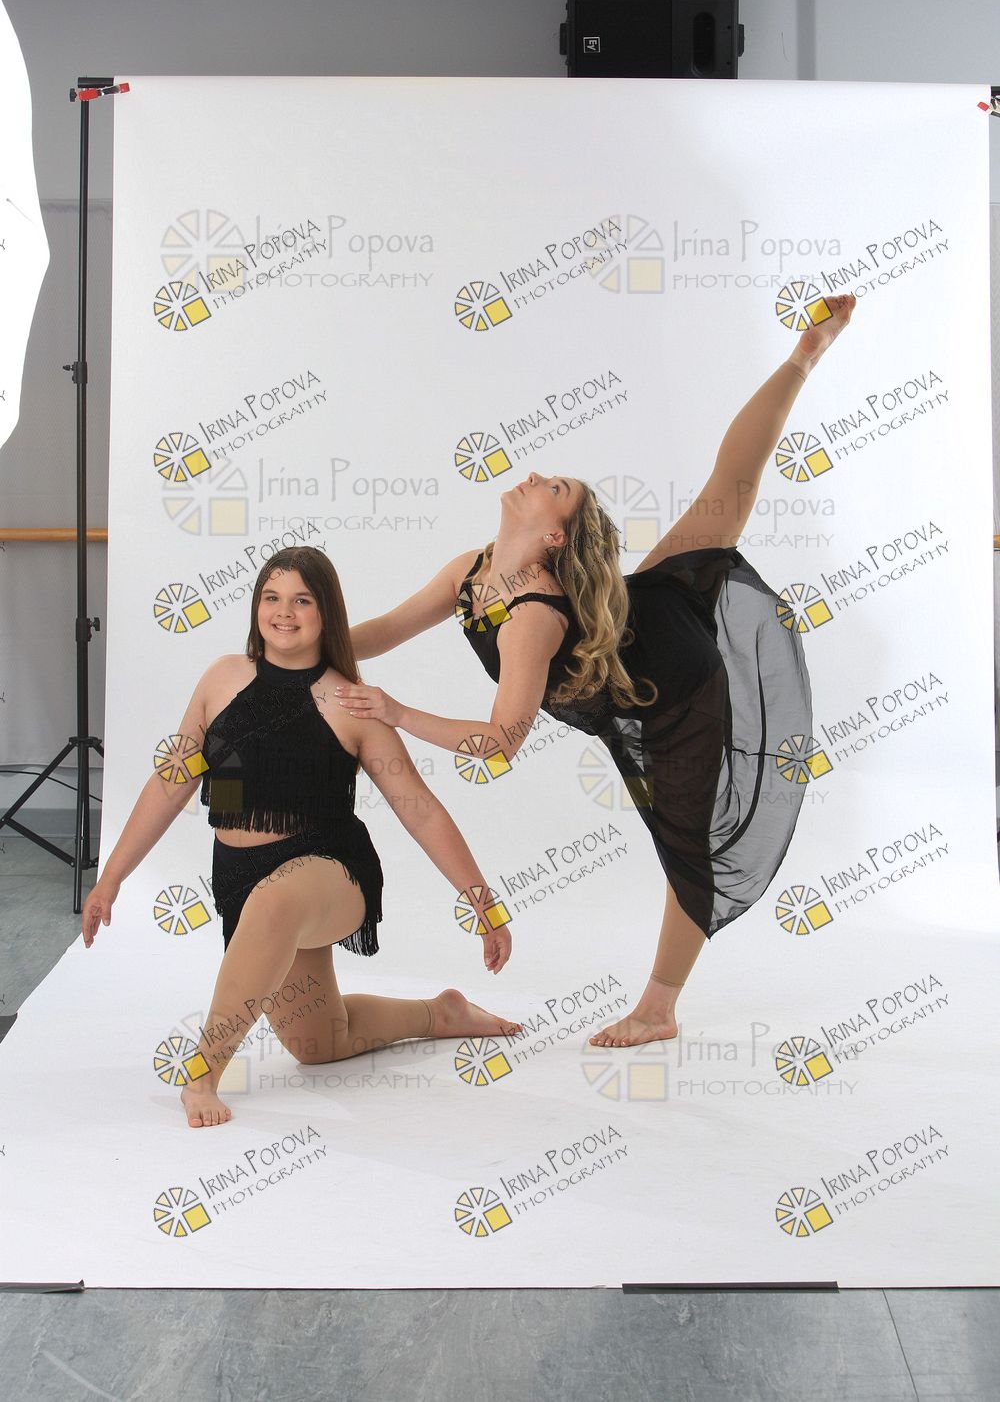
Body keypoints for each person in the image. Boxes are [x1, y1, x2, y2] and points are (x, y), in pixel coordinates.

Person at [339, 294, 856, 1048]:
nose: (535, 474)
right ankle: (807, 352)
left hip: (676, 684)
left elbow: (500, 744)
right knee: (728, 486)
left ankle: (658, 1009)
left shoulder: (533, 619)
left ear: (554, 536)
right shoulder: (471, 570)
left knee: (688, 848)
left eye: (554, 487)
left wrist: (396, 712)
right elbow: (385, 630)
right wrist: (305, 649)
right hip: (642, 615)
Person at [82, 547, 521, 1128]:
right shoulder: (221, 678)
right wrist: (110, 879)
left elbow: (419, 810)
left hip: (329, 868)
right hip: (237, 877)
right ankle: (439, 1013)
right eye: (271, 597)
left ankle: (202, 1074)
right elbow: (172, 781)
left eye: (301, 600)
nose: (283, 612)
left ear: (326, 612)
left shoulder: (352, 702)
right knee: (320, 1043)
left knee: (278, 900)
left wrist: (481, 899)